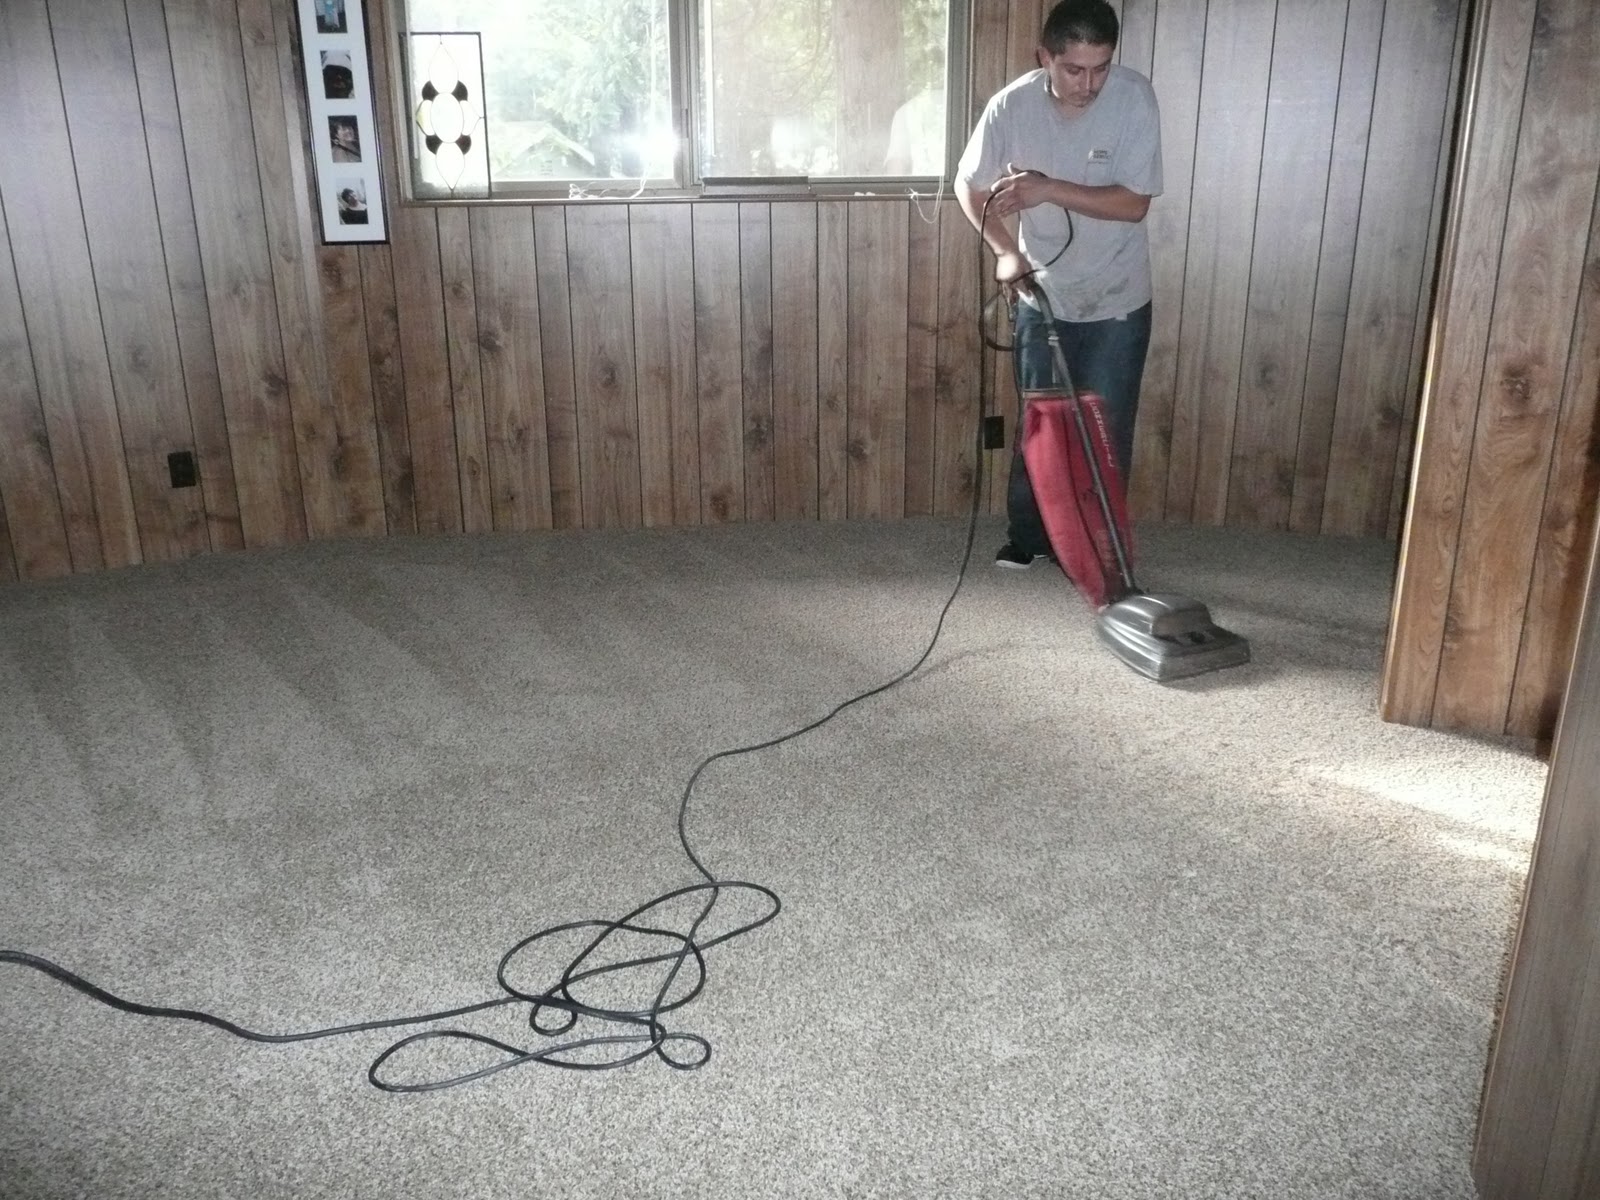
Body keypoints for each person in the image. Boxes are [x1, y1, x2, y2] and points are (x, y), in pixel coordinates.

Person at [954, 0, 1162, 570]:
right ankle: (1029, 537)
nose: (1089, 84)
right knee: (1040, 423)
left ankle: (1098, 549)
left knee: (1105, 430)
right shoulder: (1011, 106)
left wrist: (1049, 189)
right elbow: (967, 185)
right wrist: (1006, 252)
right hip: (1041, 296)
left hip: (1118, 302)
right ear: (1044, 56)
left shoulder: (1133, 98)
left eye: (1101, 67)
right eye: (1074, 69)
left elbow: (1134, 204)